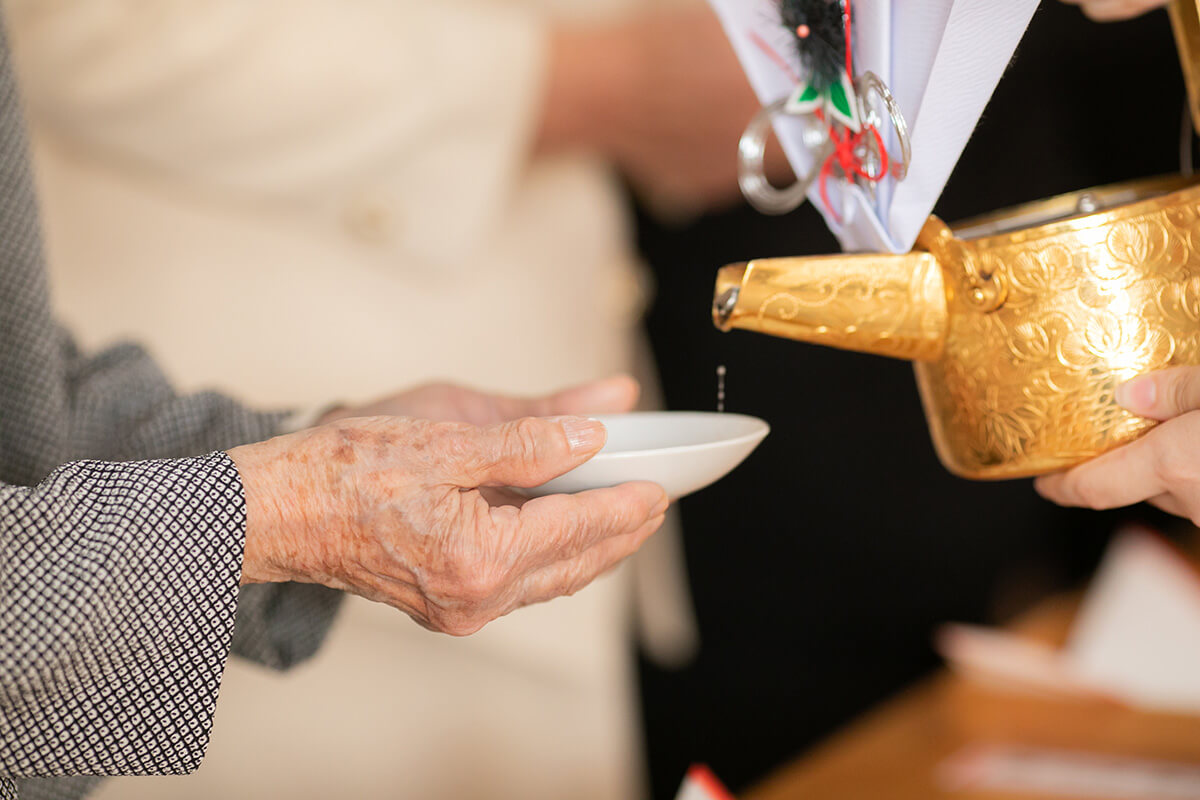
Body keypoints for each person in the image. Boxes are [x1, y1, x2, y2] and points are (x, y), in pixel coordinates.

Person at [3, 2, 778, 798]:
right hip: (269, 363)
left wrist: (307, 447)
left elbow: (20, 408)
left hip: (298, 480)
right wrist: (291, 513)